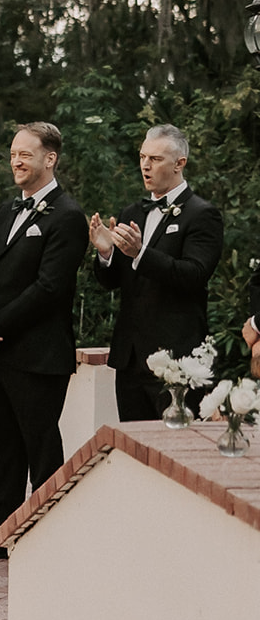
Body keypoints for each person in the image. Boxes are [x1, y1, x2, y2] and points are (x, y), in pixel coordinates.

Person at [0, 122, 88, 562]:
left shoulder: (67, 216)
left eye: (25, 154)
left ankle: (51, 539)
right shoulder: (7, 211)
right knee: (7, 449)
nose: (16, 161)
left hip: (39, 355)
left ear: (50, 158)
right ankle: (0, 535)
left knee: (41, 450)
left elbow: (49, 288)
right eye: (13, 154)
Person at [89, 125, 223, 420]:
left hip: (177, 360)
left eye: (156, 159)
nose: (145, 165)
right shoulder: (131, 213)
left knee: (176, 444)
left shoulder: (202, 214)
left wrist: (141, 253)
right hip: (130, 359)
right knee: (133, 443)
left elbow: (194, 274)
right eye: (142, 157)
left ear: (179, 163)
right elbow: (112, 282)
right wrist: (105, 253)